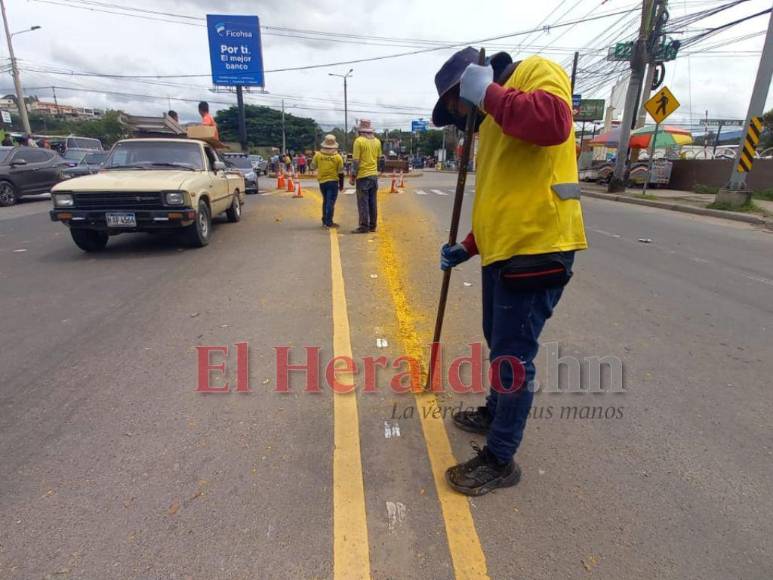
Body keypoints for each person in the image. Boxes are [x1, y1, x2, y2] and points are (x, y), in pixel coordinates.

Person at [432, 47, 587, 496]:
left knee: (512, 361)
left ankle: (501, 459)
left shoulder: (537, 72)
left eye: (458, 108)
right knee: (500, 348)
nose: (463, 120)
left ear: (472, 83)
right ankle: (496, 413)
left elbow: (553, 123)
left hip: (539, 247)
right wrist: (466, 247)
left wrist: (490, 95)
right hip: (506, 252)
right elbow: (505, 200)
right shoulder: (493, 122)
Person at [350, 119, 382, 233]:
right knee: (372, 201)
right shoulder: (377, 141)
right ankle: (372, 225)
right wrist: (377, 171)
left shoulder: (358, 141)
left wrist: (353, 176)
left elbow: (356, 161)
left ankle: (364, 226)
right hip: (374, 176)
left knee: (363, 202)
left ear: (360, 131)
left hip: (363, 176)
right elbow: (379, 159)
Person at [311, 135, 344, 229]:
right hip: (333, 182)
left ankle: (324, 220)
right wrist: (341, 185)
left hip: (322, 182)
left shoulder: (318, 155)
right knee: (330, 202)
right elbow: (341, 172)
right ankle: (328, 222)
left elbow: (312, 166)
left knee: (325, 201)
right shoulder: (338, 157)